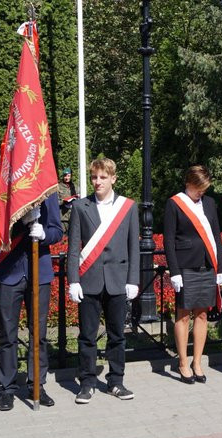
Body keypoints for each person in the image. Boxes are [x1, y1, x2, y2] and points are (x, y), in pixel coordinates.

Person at [67, 158, 140, 403]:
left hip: (118, 280)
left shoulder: (128, 207)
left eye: (102, 177)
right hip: (89, 279)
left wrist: (133, 280)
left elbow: (133, 247)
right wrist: (73, 279)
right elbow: (73, 248)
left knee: (117, 335)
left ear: (113, 178)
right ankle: (87, 383)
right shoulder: (80, 207)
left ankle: (116, 382)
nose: (97, 182)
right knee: (87, 335)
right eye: (94, 177)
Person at [0, 188, 63, 410]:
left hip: (40, 272)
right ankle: (7, 388)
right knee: (7, 335)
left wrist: (44, 234)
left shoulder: (46, 192)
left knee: (38, 334)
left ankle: (36, 384)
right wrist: (21, 222)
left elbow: (58, 231)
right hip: (9, 273)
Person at [164, 165, 222, 384]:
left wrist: (221, 267)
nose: (202, 192)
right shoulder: (175, 203)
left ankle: (197, 362)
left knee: (202, 315)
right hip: (185, 267)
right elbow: (169, 240)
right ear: (188, 183)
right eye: (199, 188)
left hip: (207, 266)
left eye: (204, 188)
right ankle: (183, 362)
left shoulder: (209, 204)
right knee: (183, 315)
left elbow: (216, 236)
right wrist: (174, 272)